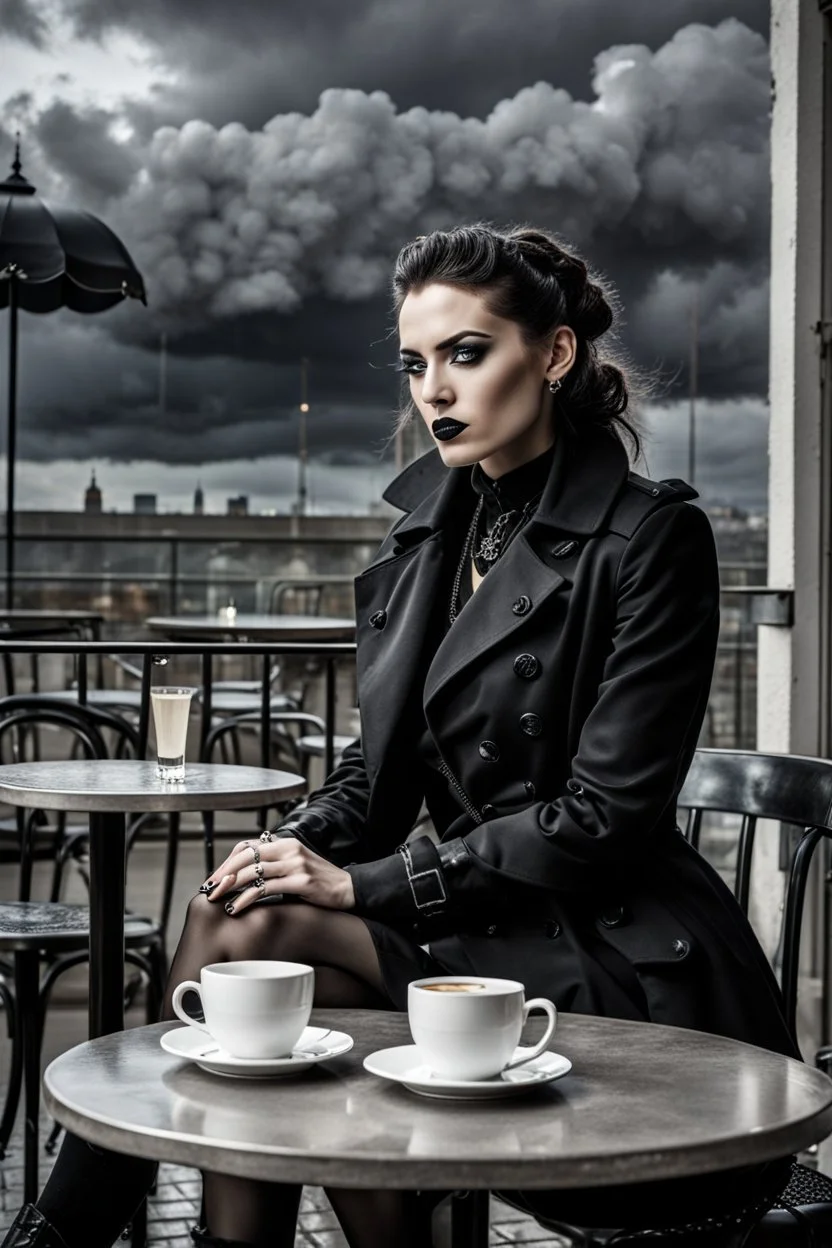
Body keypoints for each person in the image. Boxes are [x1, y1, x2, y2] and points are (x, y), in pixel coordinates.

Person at [5, 223, 798, 1248]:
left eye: (467, 354)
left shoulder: (653, 539)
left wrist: (365, 886)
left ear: (553, 355)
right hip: (481, 929)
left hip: (614, 957)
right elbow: (374, 774)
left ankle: (63, 1233)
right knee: (244, 922)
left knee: (252, 954)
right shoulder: (431, 533)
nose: (434, 391)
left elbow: (601, 819)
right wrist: (294, 848)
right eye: (416, 363)